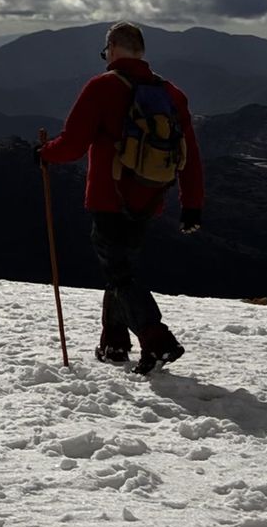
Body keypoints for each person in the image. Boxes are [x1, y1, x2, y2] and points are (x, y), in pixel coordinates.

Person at [37, 22, 204, 374]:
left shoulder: (101, 88)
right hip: (150, 196)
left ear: (112, 49)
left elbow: (72, 144)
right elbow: (190, 155)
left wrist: (43, 153)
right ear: (141, 52)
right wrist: (192, 204)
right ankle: (113, 343)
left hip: (107, 196)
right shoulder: (171, 93)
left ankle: (157, 340)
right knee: (121, 268)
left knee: (119, 273)